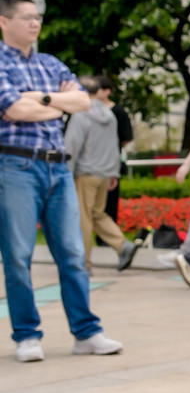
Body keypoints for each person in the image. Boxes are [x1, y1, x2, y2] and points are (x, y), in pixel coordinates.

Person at [0, 0, 123, 361]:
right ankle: (26, 335)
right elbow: (14, 111)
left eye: (37, 16)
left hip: (59, 167)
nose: (35, 22)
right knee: (18, 255)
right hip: (17, 165)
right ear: (5, 21)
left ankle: (86, 332)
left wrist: (41, 98)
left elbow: (84, 102)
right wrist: (54, 102)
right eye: (26, 17)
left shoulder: (50, 63)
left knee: (72, 252)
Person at [65, 75, 138, 272]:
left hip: (85, 173)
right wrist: (113, 173)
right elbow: (115, 147)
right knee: (98, 213)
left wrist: (65, 173)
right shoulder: (109, 115)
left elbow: (72, 146)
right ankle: (123, 245)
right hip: (104, 174)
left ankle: (84, 264)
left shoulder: (80, 115)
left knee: (83, 218)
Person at [103, 82, 135, 230]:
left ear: (107, 91)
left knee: (110, 202)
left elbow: (126, 137)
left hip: (111, 161)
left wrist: (112, 149)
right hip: (91, 164)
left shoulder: (118, 112)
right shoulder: (88, 110)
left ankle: (108, 238)